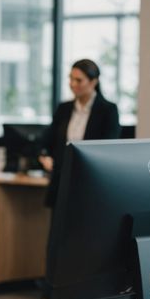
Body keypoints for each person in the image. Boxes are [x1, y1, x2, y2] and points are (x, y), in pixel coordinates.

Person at [38, 59, 121, 207]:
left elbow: (109, 147)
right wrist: (45, 156)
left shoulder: (108, 110)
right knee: (58, 228)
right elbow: (47, 140)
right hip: (62, 181)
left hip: (91, 183)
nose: (72, 84)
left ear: (93, 82)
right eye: (70, 78)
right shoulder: (64, 108)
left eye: (79, 80)